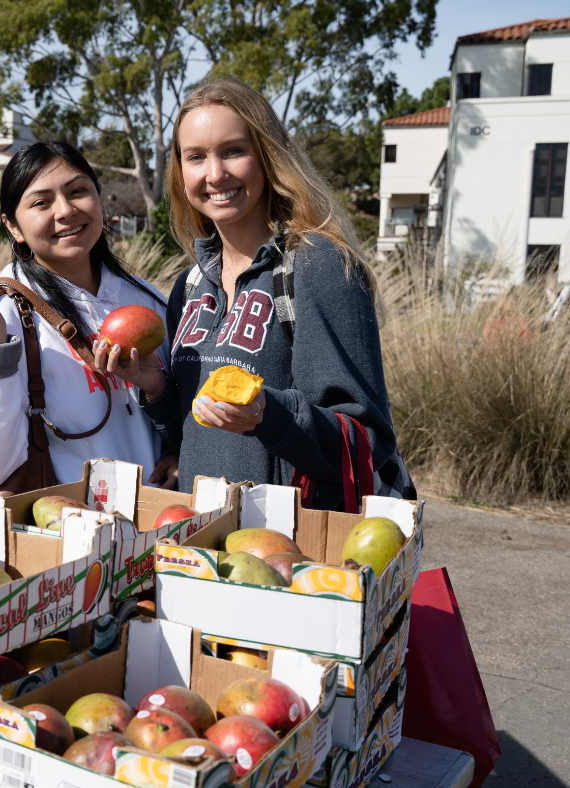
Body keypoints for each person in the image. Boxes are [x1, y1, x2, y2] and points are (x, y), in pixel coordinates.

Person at [127, 78, 412, 508]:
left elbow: (367, 444)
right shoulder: (188, 287)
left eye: (233, 151)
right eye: (196, 157)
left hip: (286, 548)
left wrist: (269, 414)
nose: (215, 173)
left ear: (267, 156)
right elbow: (196, 430)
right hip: (201, 543)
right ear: (180, 172)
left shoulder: (318, 266)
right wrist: (157, 391)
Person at [0, 141, 174, 490]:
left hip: (159, 523)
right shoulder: (4, 317)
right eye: (42, 202)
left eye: (78, 191)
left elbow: (182, 412)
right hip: (69, 529)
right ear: (12, 226)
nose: (66, 210)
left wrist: (178, 451)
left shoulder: (146, 299)